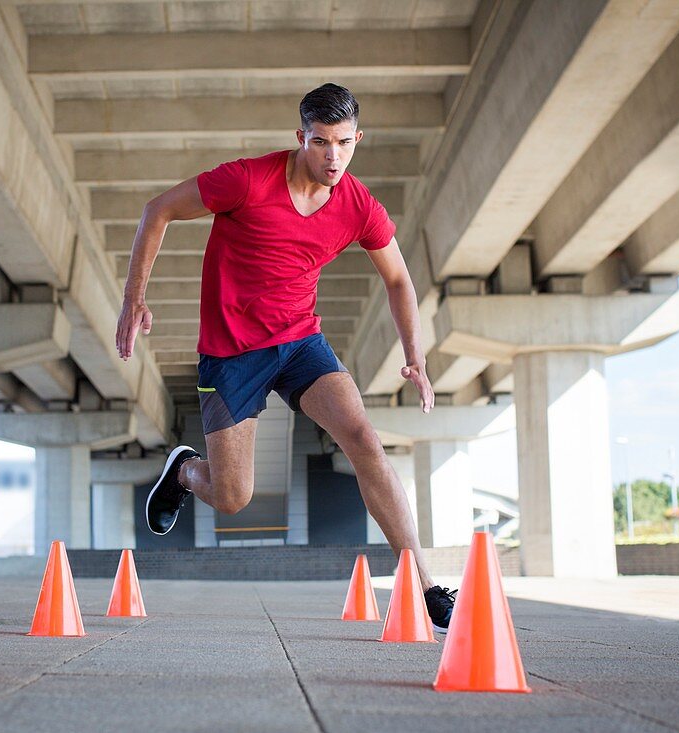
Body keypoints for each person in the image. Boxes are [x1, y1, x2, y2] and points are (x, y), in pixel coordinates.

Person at [115, 83, 455, 630]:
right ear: (301, 137)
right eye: (321, 142)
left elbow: (398, 279)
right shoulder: (247, 180)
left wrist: (415, 355)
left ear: (357, 139)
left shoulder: (358, 204)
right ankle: (183, 472)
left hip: (300, 343)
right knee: (232, 497)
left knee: (364, 438)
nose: (333, 157)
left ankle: (423, 586)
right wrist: (134, 299)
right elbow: (157, 211)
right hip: (231, 356)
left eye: (344, 143)